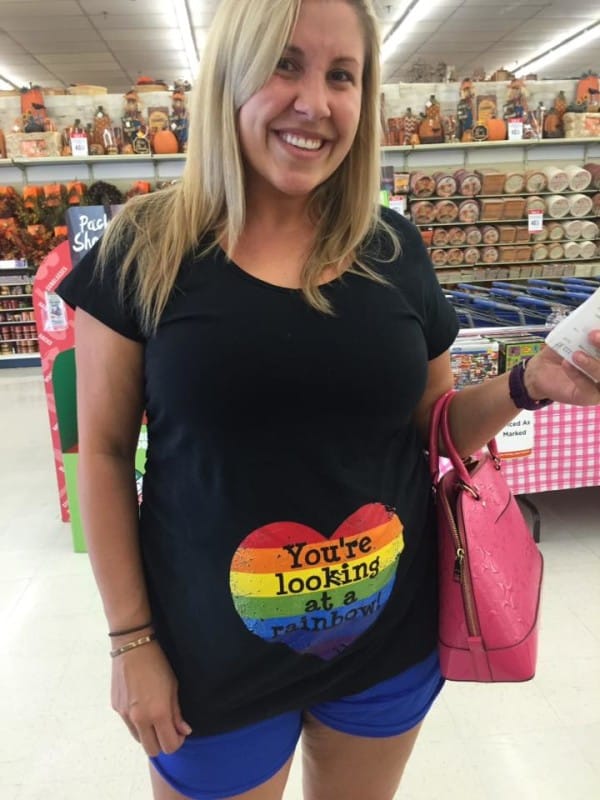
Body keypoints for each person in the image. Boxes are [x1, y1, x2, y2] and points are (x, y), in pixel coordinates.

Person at [56, 1, 600, 798]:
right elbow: (101, 454)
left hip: (387, 645)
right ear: (230, 80)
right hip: (209, 657)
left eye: (342, 75)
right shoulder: (145, 248)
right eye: (286, 64)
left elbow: (434, 427)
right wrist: (130, 643)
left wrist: (530, 383)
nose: (315, 102)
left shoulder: (393, 250)